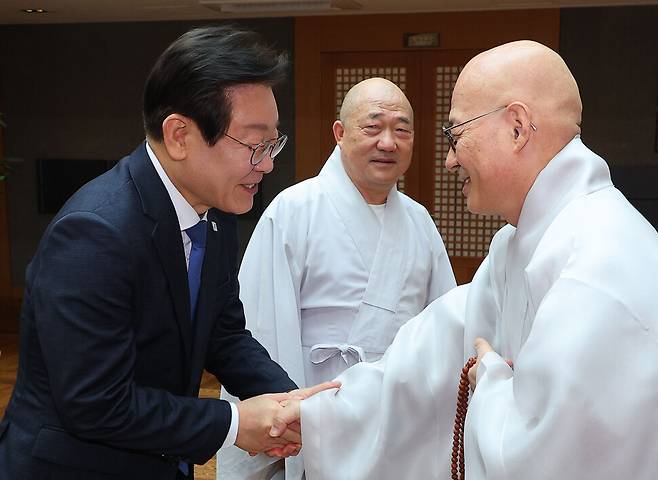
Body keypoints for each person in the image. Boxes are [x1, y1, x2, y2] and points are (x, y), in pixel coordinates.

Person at [271, 40, 658, 480]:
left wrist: (489, 381)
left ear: (517, 128)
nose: (451, 159)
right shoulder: (517, 245)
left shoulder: (599, 260)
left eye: (456, 135)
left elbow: (544, 458)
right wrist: (324, 417)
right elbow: (427, 358)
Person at [0, 26, 337, 480]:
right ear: (179, 135)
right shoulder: (94, 232)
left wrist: (292, 405)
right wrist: (236, 423)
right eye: (255, 144)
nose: (268, 164)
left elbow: (225, 337)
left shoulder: (213, 216)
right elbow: (97, 402)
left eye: (273, 143)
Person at [217, 77, 456, 480]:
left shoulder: (419, 222)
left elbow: (445, 329)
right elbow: (262, 330)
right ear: (340, 134)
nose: (388, 142)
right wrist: (286, 420)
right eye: (373, 126)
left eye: (402, 130)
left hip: (398, 425)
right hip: (316, 418)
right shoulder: (293, 211)